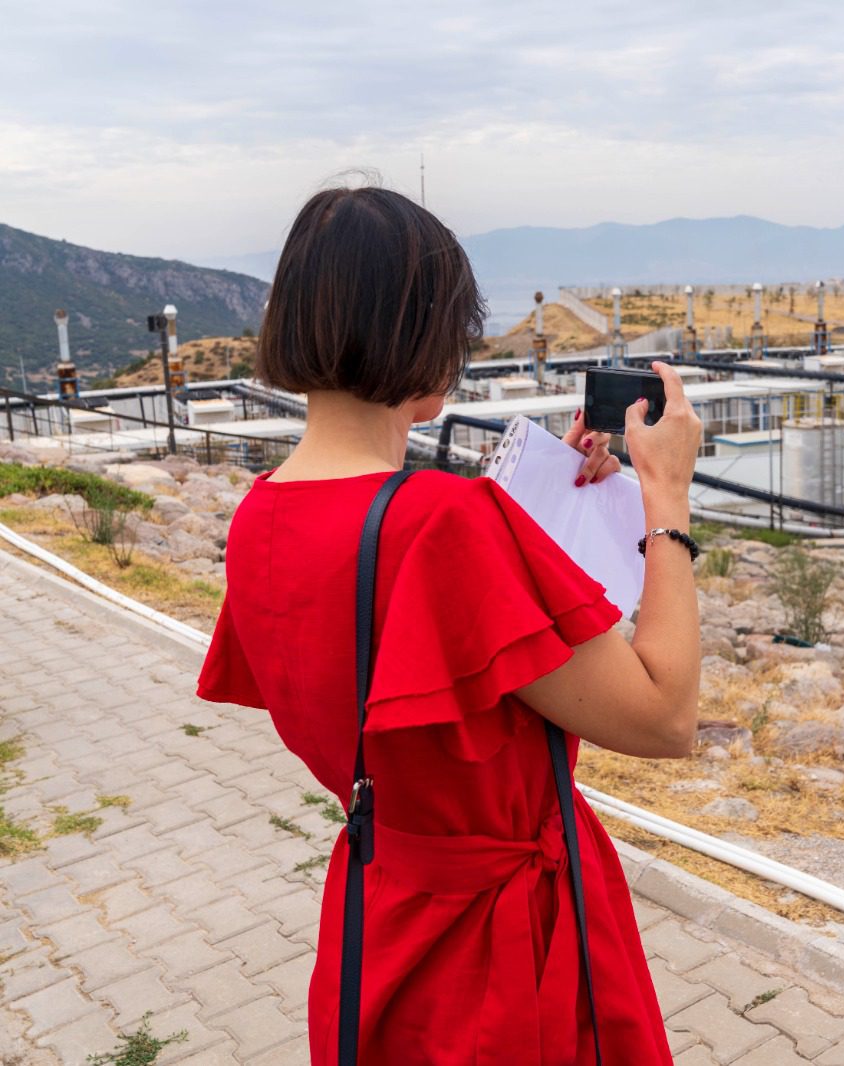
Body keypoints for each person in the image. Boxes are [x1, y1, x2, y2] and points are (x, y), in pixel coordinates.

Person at [195, 184, 703, 1064]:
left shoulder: (259, 520)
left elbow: (405, 633)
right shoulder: (444, 523)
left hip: (377, 926)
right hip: (507, 961)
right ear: (421, 340)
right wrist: (666, 497)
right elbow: (664, 717)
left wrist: (526, 514)